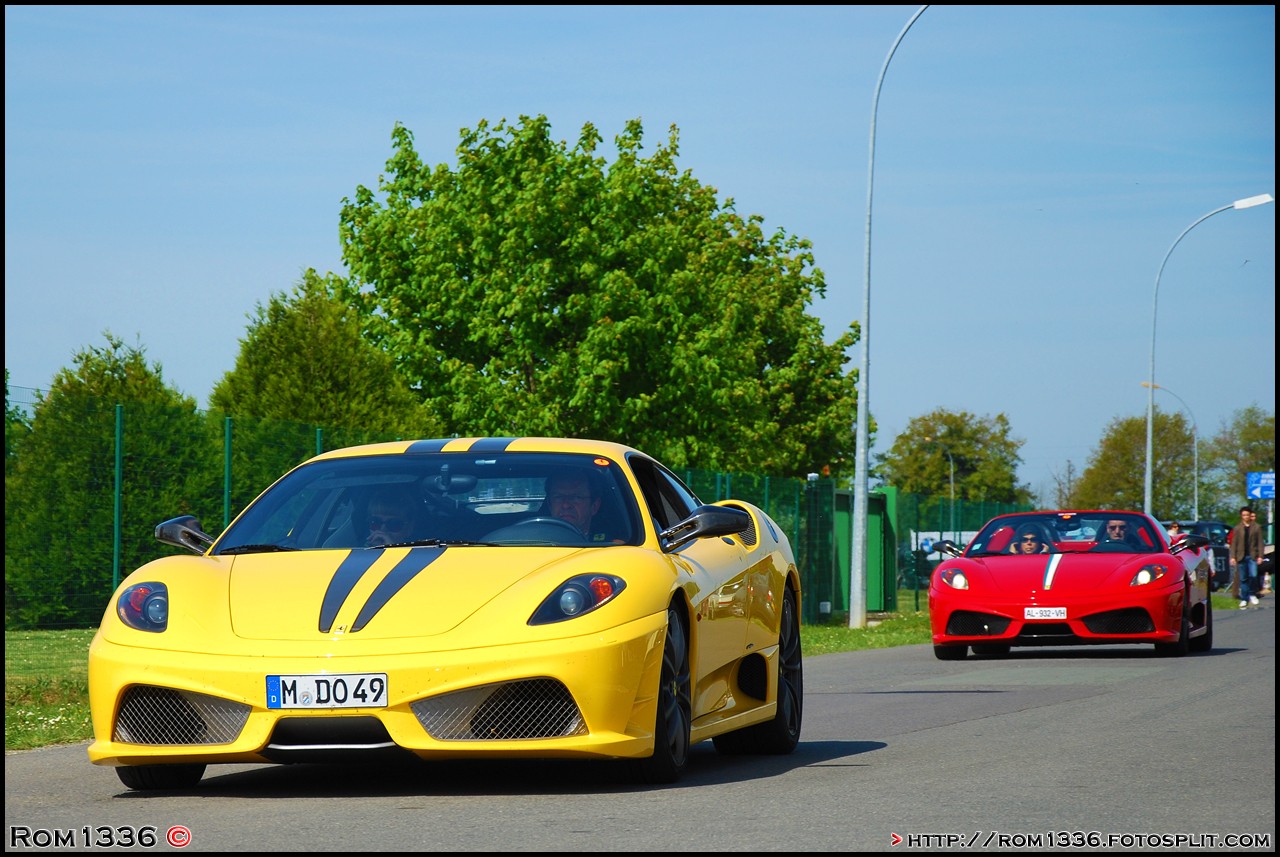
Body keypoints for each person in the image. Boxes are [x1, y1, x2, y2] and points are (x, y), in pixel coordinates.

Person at [544, 471, 603, 537]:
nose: (566, 505)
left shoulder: (612, 545)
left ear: (594, 506)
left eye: (577, 498)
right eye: (559, 497)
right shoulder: (532, 542)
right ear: (549, 504)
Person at [1229, 505, 1263, 608]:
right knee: (1243, 578)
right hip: (1241, 556)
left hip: (1252, 555)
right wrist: (1233, 557)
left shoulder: (1256, 527)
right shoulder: (1238, 528)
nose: (1246, 517)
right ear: (1241, 516)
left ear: (1250, 515)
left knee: (1253, 575)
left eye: (1247, 515)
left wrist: (1260, 556)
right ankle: (1244, 598)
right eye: (1243, 515)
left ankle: (1252, 594)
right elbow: (1234, 543)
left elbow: (1260, 542)